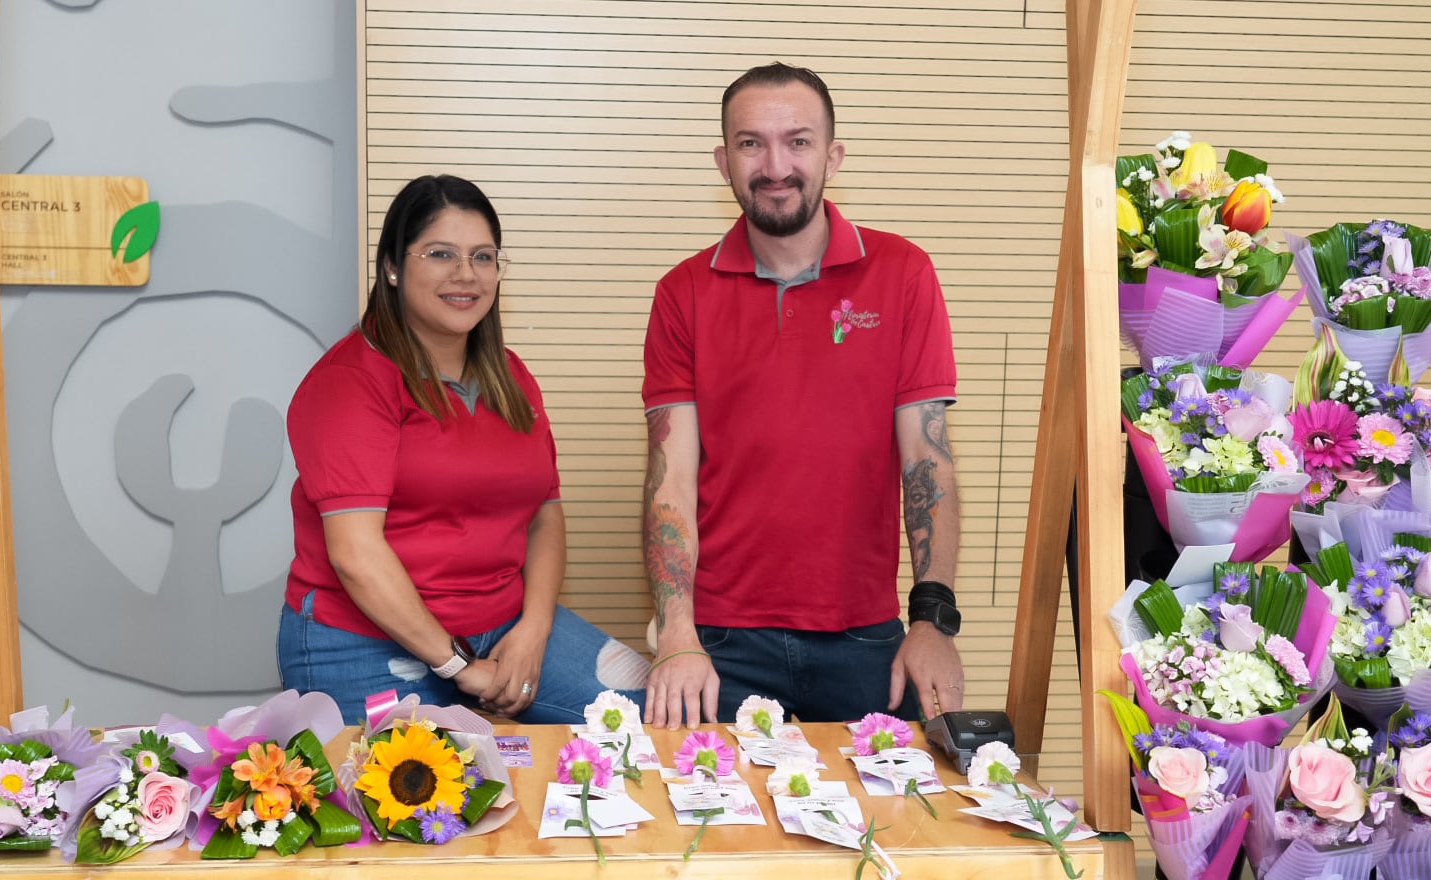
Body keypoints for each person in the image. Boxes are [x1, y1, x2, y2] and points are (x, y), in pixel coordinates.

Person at [642, 63, 964, 728]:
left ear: (833, 156)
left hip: (866, 636)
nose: (775, 166)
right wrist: (676, 633)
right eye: (751, 143)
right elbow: (669, 479)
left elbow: (925, 461)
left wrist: (933, 621)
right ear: (723, 160)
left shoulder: (904, 273)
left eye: (798, 141)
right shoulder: (682, 292)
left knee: (882, 825)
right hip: (722, 641)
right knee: (717, 827)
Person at [278, 174, 649, 724]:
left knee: (654, 715)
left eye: (483, 256)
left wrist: (534, 628)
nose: (466, 274)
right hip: (364, 639)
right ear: (393, 267)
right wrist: (458, 667)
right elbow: (356, 555)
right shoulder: (350, 382)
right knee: (428, 800)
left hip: (502, 621)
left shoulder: (512, 377)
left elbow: (545, 517)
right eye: (441, 253)